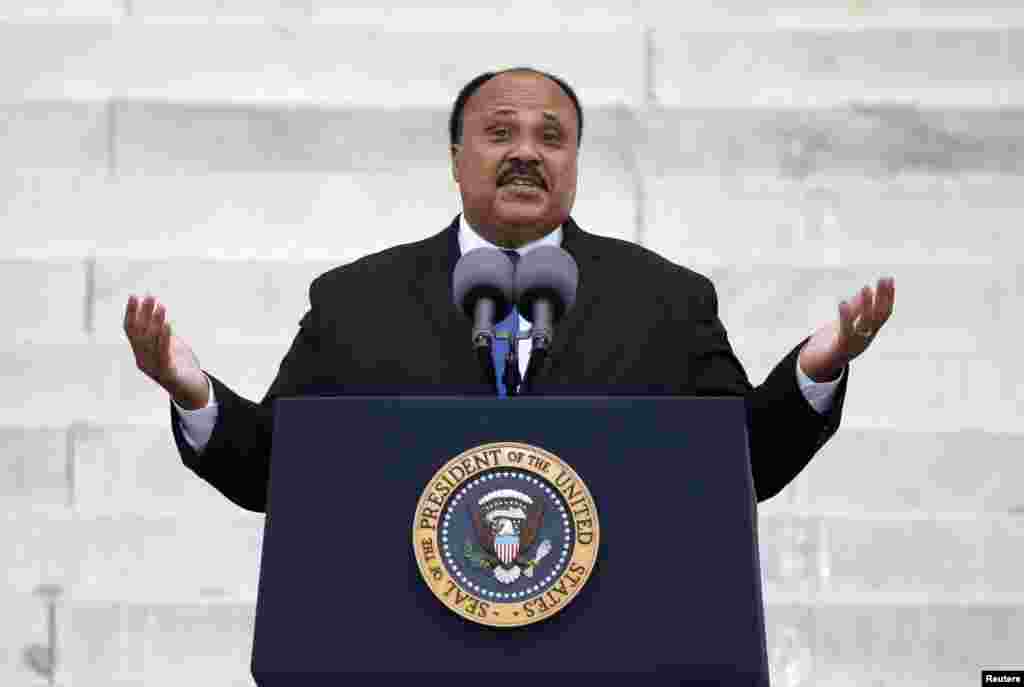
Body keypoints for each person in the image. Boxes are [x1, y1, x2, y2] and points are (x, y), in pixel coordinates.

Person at [122, 67, 895, 514]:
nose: (527, 152)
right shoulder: (356, 301)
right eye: (500, 133)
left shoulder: (666, 300)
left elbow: (738, 468)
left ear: (577, 163)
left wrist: (812, 374)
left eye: (551, 137)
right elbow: (277, 474)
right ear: (457, 160)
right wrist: (197, 393)